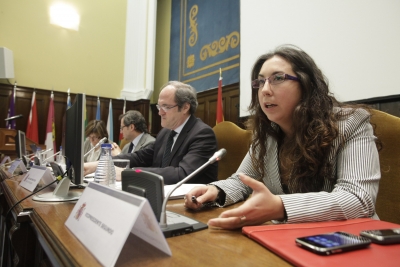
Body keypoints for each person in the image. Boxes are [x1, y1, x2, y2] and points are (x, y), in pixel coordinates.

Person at [184, 44, 381, 229]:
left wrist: (280, 206)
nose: (265, 90)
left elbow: (358, 199)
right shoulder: (267, 132)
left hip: (346, 241)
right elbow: (241, 181)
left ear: (306, 85)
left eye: (278, 78)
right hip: (288, 239)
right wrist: (216, 191)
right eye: (260, 82)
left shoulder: (352, 124)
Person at [84, 81, 218, 184]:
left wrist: (127, 173)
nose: (159, 112)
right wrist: (100, 164)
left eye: (166, 107)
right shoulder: (165, 133)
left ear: (185, 107)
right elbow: (140, 157)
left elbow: (182, 174)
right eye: (159, 106)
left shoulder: (202, 134)